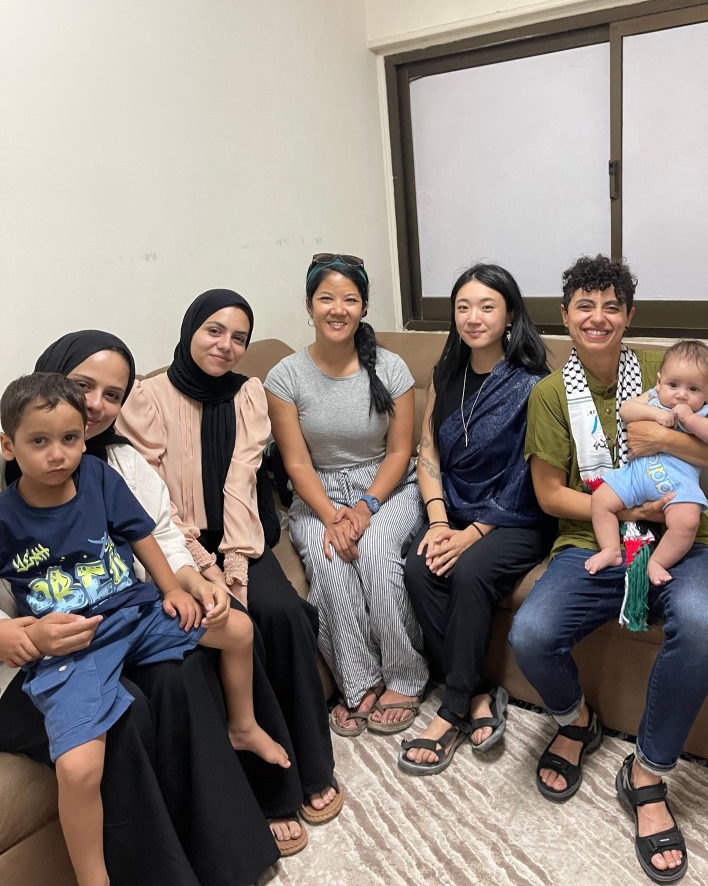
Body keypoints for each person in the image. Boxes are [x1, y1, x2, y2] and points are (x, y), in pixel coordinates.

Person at [0, 330, 280, 886]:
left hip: (130, 614)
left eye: (71, 438)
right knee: (85, 762)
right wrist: (9, 636)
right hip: (69, 649)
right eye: (39, 442)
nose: (58, 454)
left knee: (236, 632)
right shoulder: (7, 512)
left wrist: (181, 584)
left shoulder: (103, 470)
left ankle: (244, 728)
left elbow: (148, 533)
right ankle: (95, 876)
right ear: (8, 445)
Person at [510, 255, 708, 884]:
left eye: (611, 306)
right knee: (530, 634)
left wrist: (667, 442)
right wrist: (627, 507)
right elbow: (548, 495)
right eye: (584, 306)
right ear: (564, 316)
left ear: (628, 315)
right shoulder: (548, 393)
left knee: (701, 624)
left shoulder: (662, 369)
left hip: (683, 535)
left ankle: (646, 771)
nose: (598, 318)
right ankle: (576, 721)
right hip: (594, 535)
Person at [117, 289, 341, 846]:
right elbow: (154, 502)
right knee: (240, 629)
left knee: (285, 613)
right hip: (179, 548)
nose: (227, 345)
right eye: (214, 330)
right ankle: (271, 793)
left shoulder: (249, 394)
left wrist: (233, 563)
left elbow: (244, 483)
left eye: (239, 337)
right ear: (190, 328)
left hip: (242, 542)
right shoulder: (144, 398)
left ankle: (314, 768)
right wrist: (200, 565)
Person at [264, 254, 428, 737]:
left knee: (375, 550)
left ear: (364, 307)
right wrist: (331, 515)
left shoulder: (391, 368)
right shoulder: (285, 376)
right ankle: (358, 682)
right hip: (317, 491)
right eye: (327, 298)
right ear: (310, 306)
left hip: (386, 486)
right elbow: (295, 462)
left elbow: (401, 451)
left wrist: (363, 507)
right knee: (329, 556)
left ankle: (405, 674)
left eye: (350, 299)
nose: (338, 309)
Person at [400, 264, 552, 775]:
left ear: (509, 314)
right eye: (463, 307)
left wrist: (472, 534)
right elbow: (428, 451)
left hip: (517, 516)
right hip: (456, 509)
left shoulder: (534, 384)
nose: (473, 317)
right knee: (419, 565)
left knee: (468, 570)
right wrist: (440, 523)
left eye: (487, 306)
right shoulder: (446, 374)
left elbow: (528, 475)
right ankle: (483, 694)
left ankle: (452, 708)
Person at [587, 340, 708, 587]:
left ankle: (659, 561)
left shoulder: (707, 411)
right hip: (634, 475)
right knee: (600, 500)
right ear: (659, 381)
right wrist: (656, 414)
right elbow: (626, 410)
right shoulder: (653, 398)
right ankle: (610, 549)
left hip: (677, 484)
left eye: (693, 389)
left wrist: (691, 420)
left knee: (687, 522)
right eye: (673, 385)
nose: (681, 394)